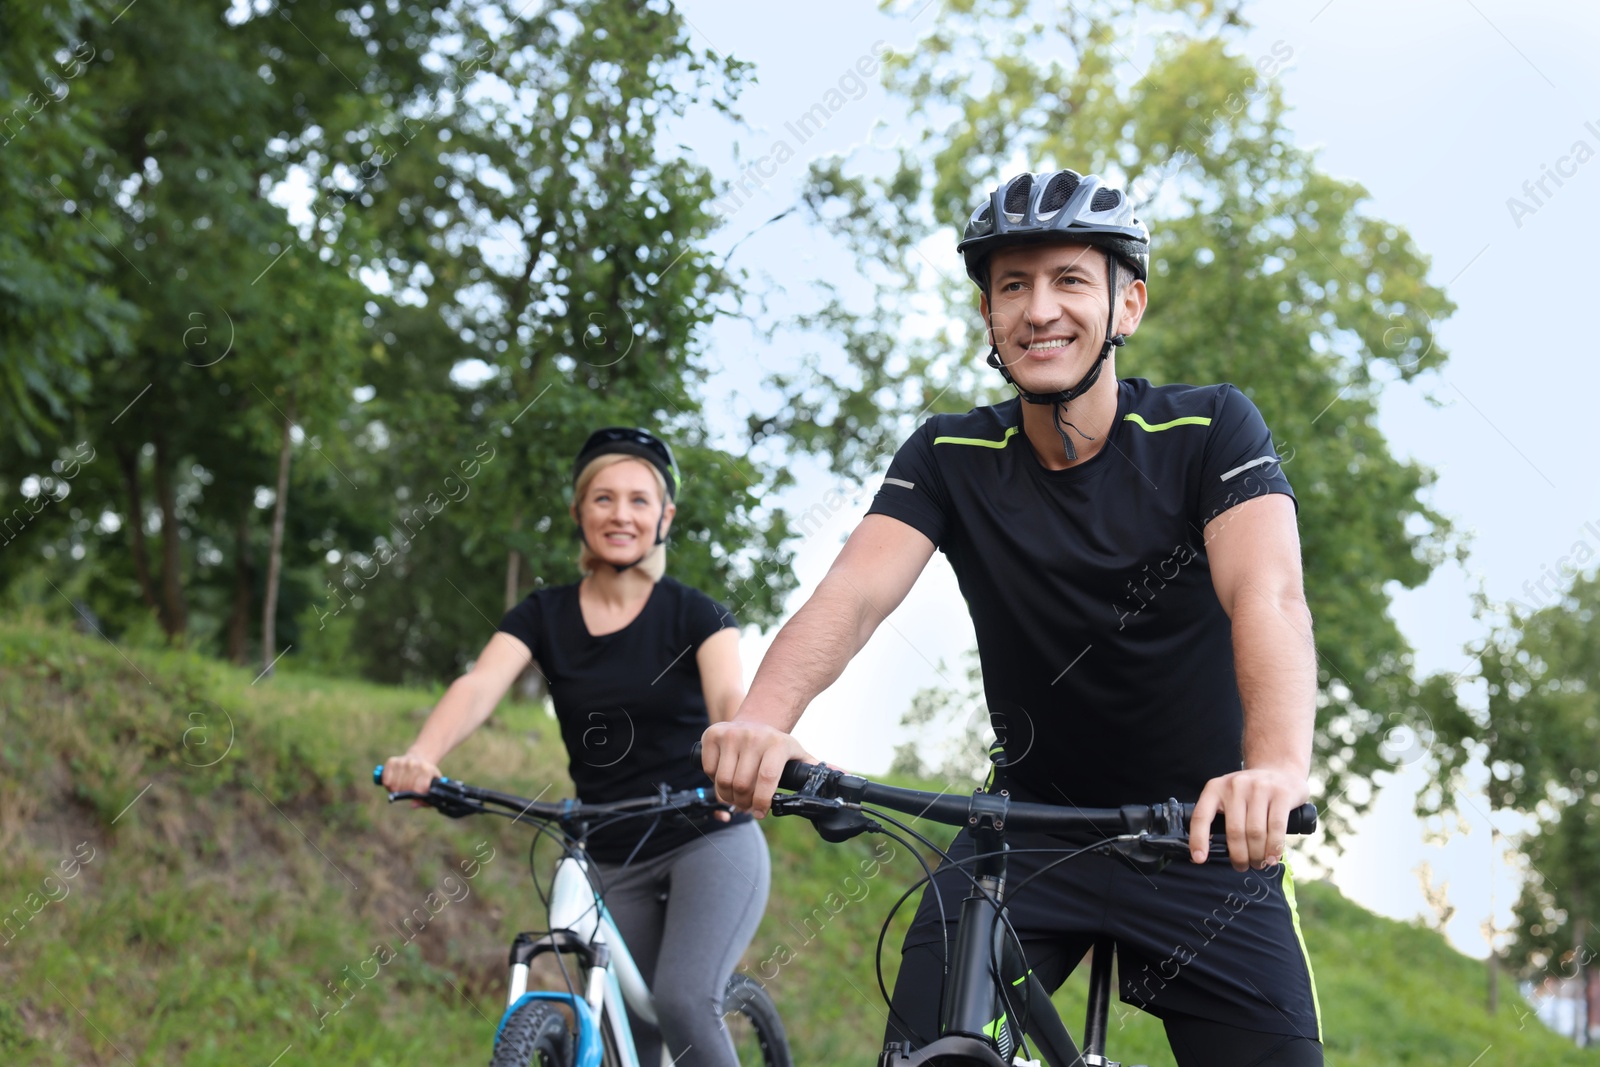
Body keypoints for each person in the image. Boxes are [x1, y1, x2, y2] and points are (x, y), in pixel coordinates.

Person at [701, 170, 1323, 1066]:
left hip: (1206, 834)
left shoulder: (1211, 431)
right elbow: (854, 593)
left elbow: (1267, 595)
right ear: (989, 316)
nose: (1040, 310)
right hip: (1026, 832)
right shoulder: (950, 454)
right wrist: (762, 721)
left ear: (1128, 304)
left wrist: (1272, 770)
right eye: (1012, 287)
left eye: (1070, 280)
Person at [383, 427, 769, 1067]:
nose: (621, 514)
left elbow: (732, 703)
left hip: (708, 835)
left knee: (681, 999)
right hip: (610, 851)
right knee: (633, 1040)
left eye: (640, 501)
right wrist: (423, 756)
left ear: (664, 516)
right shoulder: (543, 615)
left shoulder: (696, 615)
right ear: (579, 512)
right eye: (604, 498)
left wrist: (750, 764)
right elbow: (480, 685)